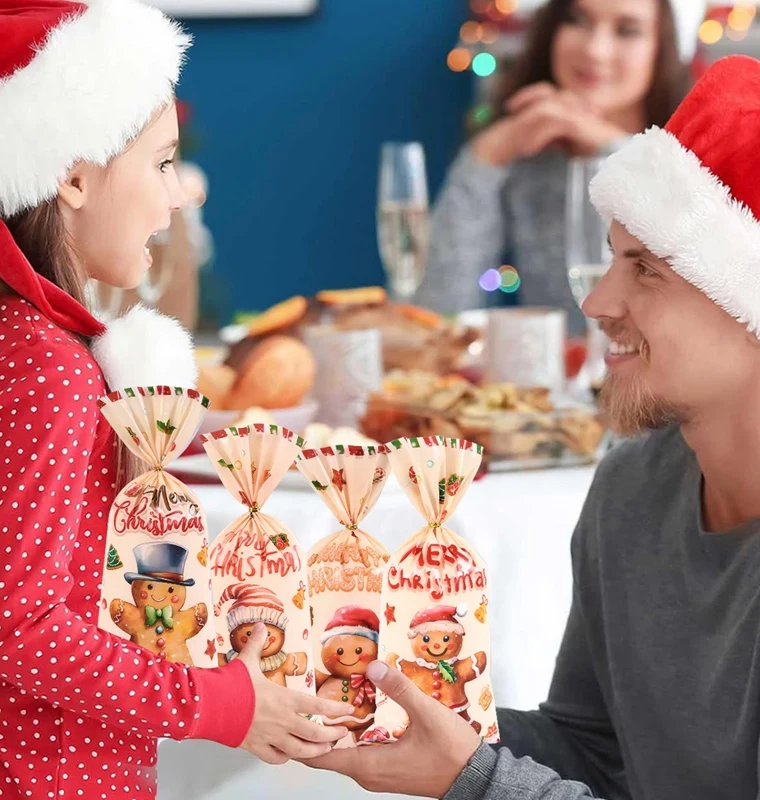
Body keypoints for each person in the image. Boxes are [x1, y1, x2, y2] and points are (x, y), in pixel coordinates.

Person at [307, 54, 760, 799]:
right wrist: (408, 708)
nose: (598, 302)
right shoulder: (633, 486)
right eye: (613, 261)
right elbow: (594, 749)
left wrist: (476, 779)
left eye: (646, 269)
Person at [0, 2, 347, 798]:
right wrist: (220, 704)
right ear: (72, 176)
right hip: (46, 778)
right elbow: (17, 626)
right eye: (162, 163)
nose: (178, 197)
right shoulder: (52, 373)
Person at [416, 0, 706, 334]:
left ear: (664, 46)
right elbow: (434, 315)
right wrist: (486, 155)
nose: (595, 50)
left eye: (627, 30)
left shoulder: (700, 161)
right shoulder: (529, 155)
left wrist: (609, 147)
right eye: (576, 19)